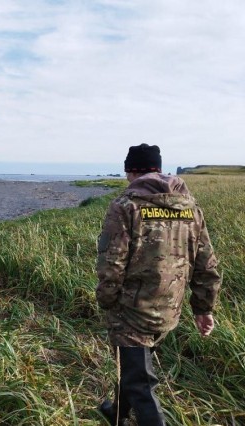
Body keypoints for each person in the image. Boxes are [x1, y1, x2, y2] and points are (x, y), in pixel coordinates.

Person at [96, 144, 221, 425]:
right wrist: (204, 308)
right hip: (169, 310)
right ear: (158, 169)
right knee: (133, 369)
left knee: (141, 383)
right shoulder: (190, 208)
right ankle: (116, 413)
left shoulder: (125, 206)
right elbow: (206, 262)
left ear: (130, 170)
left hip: (130, 310)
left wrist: (106, 299)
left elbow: (112, 262)